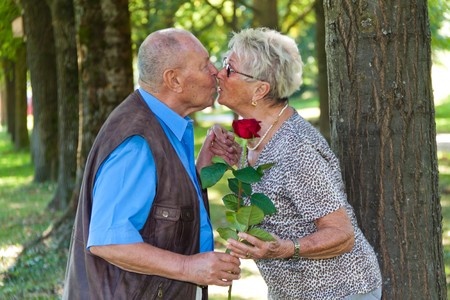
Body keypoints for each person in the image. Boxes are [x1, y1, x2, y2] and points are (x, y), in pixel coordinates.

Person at [63, 28, 242, 300]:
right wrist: (188, 267)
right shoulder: (137, 142)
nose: (216, 71)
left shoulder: (163, 123)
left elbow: (156, 204)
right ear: (174, 80)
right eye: (205, 64)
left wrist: (198, 171)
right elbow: (109, 241)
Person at [216, 27, 383, 299]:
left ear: (259, 89)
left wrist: (285, 248)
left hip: (338, 291)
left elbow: (342, 234)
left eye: (229, 68)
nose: (218, 73)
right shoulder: (258, 135)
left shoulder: (296, 149)